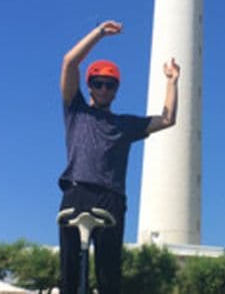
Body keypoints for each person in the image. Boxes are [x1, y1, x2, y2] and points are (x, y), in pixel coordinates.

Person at [58, 20, 180, 294]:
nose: (103, 89)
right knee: (69, 273)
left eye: (109, 85)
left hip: (111, 198)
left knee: (109, 275)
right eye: (98, 84)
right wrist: (99, 33)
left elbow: (167, 119)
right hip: (77, 190)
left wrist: (172, 82)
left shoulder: (124, 124)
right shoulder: (76, 111)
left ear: (116, 90)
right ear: (89, 86)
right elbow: (69, 62)